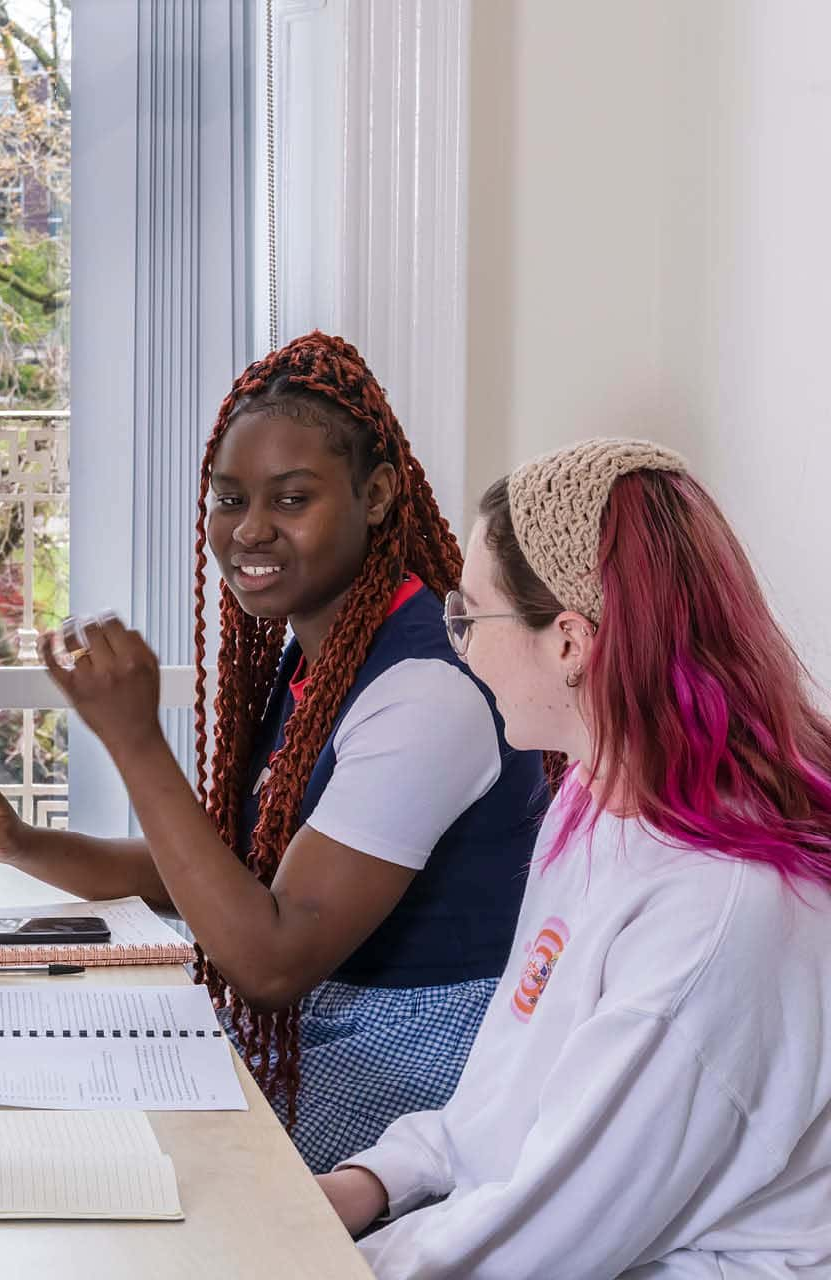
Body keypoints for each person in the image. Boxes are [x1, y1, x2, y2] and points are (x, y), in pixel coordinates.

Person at [0, 333, 547, 1171]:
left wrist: (133, 739)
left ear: (380, 495)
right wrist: (21, 843)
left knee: (102, 1159)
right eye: (228, 498)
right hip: (329, 1029)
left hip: (421, 1066)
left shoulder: (426, 691)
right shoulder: (317, 658)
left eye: (291, 500)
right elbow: (220, 875)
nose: (249, 530)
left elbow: (271, 961)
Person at [318, 439, 831, 1276]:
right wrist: (371, 1180)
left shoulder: (717, 909)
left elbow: (546, 1236)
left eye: (470, 617)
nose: (460, 647)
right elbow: (506, 1101)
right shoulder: (593, 803)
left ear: (568, 642)